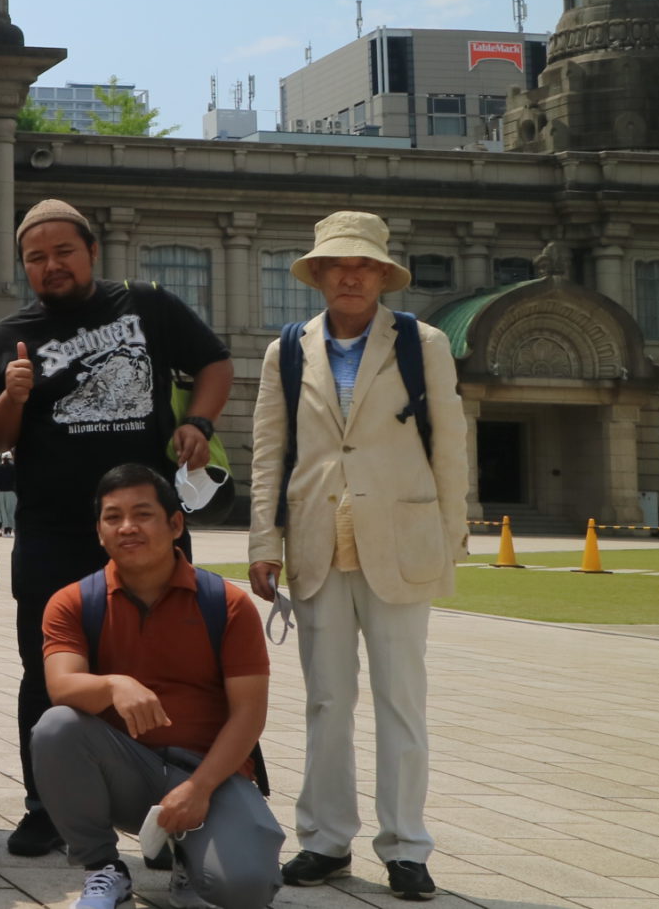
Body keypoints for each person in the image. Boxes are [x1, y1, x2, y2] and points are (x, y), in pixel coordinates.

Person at [0, 199, 233, 859]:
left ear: (91, 252)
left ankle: (175, 798)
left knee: (170, 658)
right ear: (23, 265)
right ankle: (46, 805)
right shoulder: (10, 336)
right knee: (45, 665)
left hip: (147, 522)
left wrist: (197, 423)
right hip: (54, 527)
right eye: (36, 257)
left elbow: (215, 362)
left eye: (64, 251)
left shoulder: (144, 305)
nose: (50, 265)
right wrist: (15, 394)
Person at [247, 212, 469, 902]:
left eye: (365, 264)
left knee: (402, 699)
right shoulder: (287, 350)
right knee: (326, 700)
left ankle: (406, 847)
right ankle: (325, 840)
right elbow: (269, 454)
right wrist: (262, 542)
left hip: (400, 538)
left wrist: (450, 534)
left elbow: (449, 445)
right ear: (315, 273)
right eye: (337, 263)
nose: (350, 274)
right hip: (316, 540)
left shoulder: (421, 343)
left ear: (382, 273)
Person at [35, 465, 278, 909]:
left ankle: (189, 854)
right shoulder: (72, 602)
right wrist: (113, 685)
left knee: (246, 889)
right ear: (99, 532)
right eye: (113, 517)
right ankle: (103, 867)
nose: (127, 527)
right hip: (126, 769)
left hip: (210, 773)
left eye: (143, 514)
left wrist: (199, 788)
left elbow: (250, 714)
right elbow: (61, 686)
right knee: (56, 727)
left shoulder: (226, 604)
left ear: (175, 524)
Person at [0, 453, 17, 537]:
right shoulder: (14, 469)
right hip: (11, 493)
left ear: (2, 459)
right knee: (10, 512)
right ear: (10, 459)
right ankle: (8, 532)